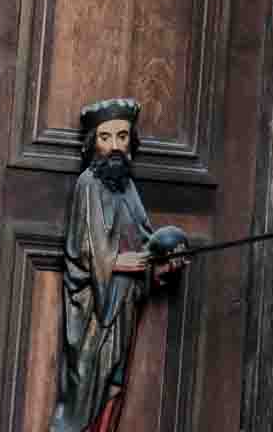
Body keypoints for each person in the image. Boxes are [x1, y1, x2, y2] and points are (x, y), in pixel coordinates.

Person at [50, 98, 183, 432]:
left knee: (115, 384)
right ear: (92, 142)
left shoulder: (128, 188)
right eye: (105, 137)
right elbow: (88, 253)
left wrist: (161, 264)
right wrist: (121, 263)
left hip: (123, 305)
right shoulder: (88, 185)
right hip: (95, 310)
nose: (114, 146)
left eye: (122, 137)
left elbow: (145, 241)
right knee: (88, 386)